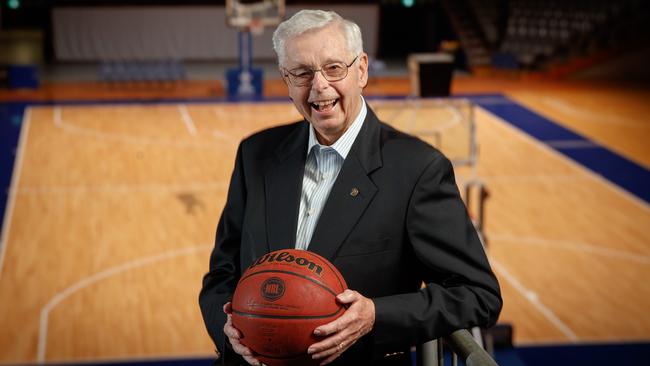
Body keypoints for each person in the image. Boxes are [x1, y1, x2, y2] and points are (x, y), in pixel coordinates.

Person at [199, 9, 502, 366]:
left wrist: (375, 315)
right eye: (301, 72)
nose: (319, 86)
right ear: (286, 79)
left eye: (333, 68)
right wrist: (228, 328)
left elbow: (477, 295)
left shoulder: (417, 170)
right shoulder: (255, 155)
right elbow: (221, 274)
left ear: (361, 70)